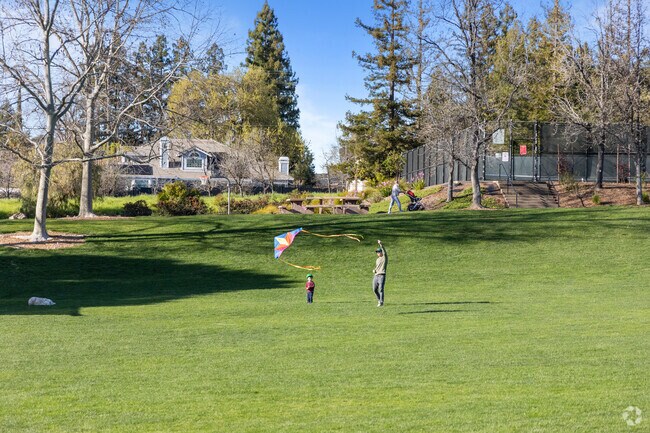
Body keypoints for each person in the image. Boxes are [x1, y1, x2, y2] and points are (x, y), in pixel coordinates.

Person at [372, 240, 387, 306]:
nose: (378, 253)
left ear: (381, 252)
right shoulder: (377, 259)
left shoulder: (384, 257)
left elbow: (384, 251)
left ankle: (381, 302)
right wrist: (374, 270)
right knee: (374, 289)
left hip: (382, 275)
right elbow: (377, 267)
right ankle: (379, 300)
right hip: (376, 276)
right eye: (377, 252)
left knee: (381, 289)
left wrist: (380, 244)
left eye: (379, 252)